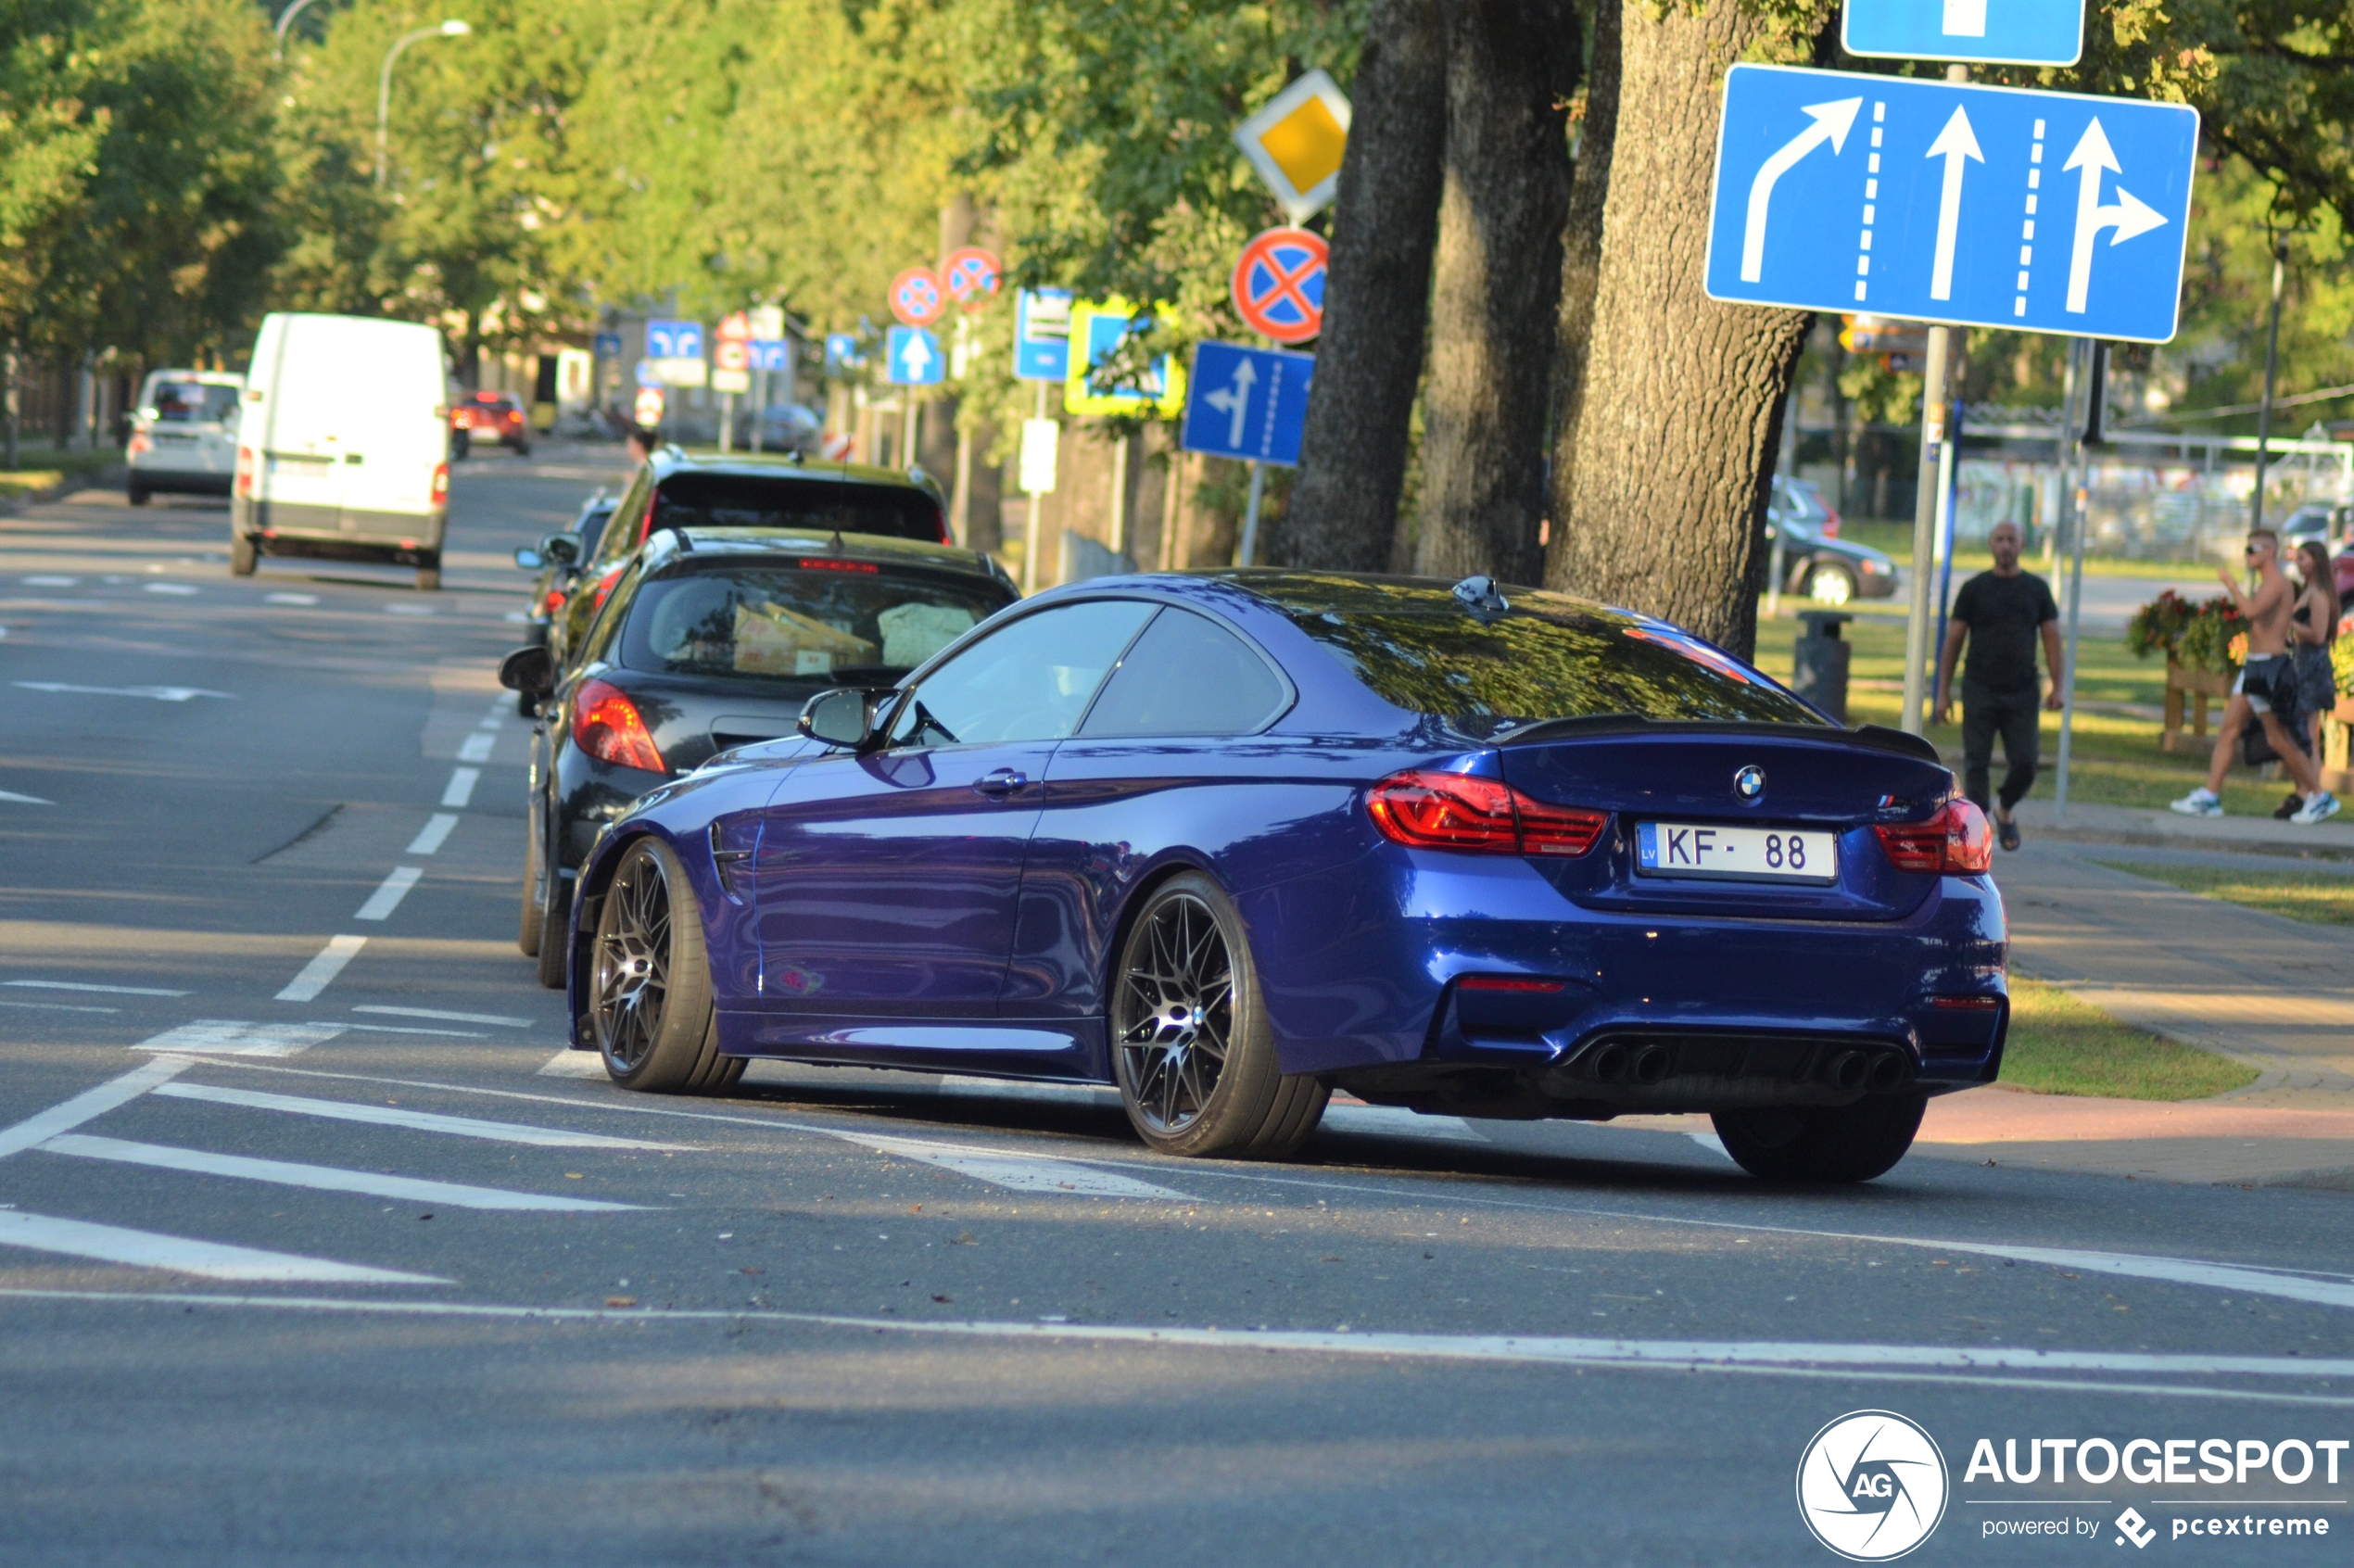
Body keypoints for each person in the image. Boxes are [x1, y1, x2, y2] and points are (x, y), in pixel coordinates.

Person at [2171, 529, 2340, 823]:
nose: (2247, 555)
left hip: (2268, 668)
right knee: (2229, 730)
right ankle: (2210, 796)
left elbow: (2250, 611)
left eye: (2253, 549)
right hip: (2254, 665)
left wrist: (2231, 585)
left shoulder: (2278, 583)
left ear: (2269, 552)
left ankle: (2317, 794)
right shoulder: (2271, 584)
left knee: (2278, 738)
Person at [1933, 519, 2062, 852]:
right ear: (1991, 545)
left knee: (2026, 762)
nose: (2005, 546)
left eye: (2012, 540)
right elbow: (1953, 641)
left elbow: (2051, 640)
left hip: (2022, 690)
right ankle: (1979, 829)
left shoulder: (2037, 589)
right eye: (1999, 539)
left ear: (2022, 545)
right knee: (1977, 761)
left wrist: (2057, 686)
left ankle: (2005, 808)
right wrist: (1943, 693)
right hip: (1980, 687)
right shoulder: (1974, 589)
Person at [2272, 538, 2345, 817]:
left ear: (2316, 561)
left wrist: (2288, 623)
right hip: (2300, 662)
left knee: (2307, 734)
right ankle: (2305, 789)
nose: (2297, 563)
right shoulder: (2308, 591)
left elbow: (2318, 634)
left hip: (2313, 666)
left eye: (2302, 558)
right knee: (2299, 731)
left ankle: (2312, 792)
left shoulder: (2319, 595)